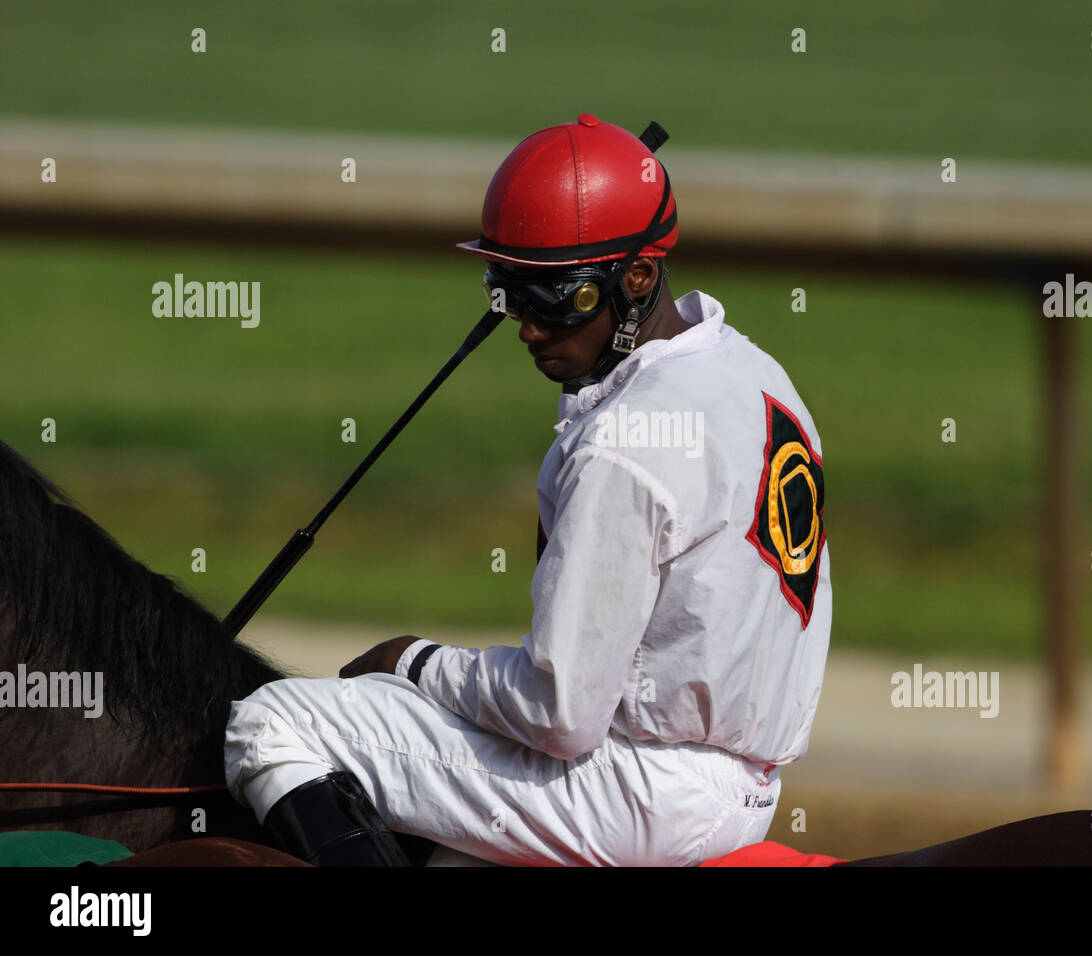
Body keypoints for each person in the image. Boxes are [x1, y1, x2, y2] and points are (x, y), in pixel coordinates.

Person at [223, 114, 831, 866]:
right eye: (509, 291)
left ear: (638, 277)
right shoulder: (758, 374)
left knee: (274, 722)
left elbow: (561, 712)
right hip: (744, 791)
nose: (529, 329)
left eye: (557, 298)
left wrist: (414, 661)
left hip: (636, 792)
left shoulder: (628, 441)